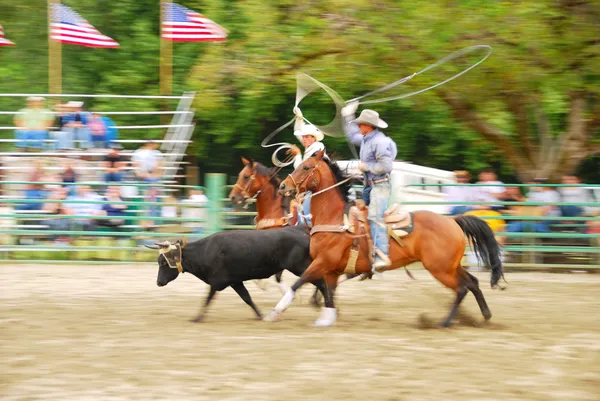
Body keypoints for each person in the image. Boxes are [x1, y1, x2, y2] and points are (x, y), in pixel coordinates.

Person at [342, 102, 397, 271]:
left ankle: (382, 255)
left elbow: (386, 167)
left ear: (368, 125)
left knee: (374, 216)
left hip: (380, 186)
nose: (358, 126)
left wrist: (365, 167)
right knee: (353, 211)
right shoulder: (367, 139)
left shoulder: (380, 142)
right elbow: (351, 136)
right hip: (369, 186)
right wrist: (347, 116)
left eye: (360, 123)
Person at [287, 112, 326, 225]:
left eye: (307, 137)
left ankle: (307, 229)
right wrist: (299, 118)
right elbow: (298, 132)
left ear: (314, 138)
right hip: (312, 187)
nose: (303, 139)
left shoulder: (317, 148)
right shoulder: (312, 146)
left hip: (318, 187)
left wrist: (298, 154)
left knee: (305, 214)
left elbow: (302, 170)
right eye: (303, 137)